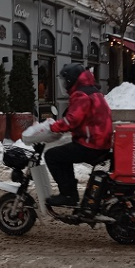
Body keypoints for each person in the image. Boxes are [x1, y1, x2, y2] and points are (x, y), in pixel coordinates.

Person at [43, 63, 113, 206]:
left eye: (64, 81)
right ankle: (70, 194)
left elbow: (72, 120)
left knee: (52, 156)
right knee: (64, 155)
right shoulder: (92, 91)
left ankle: (68, 195)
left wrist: (52, 127)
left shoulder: (81, 94)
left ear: (71, 80)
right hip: (100, 142)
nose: (63, 85)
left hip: (91, 144)